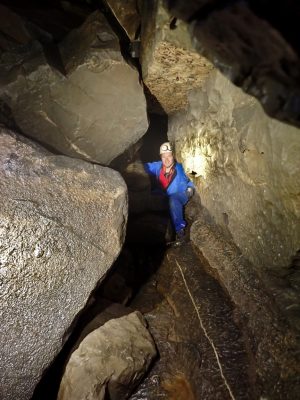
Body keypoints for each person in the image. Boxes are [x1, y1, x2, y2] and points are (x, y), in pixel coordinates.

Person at [144, 142, 195, 243]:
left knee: (173, 200)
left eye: (169, 156)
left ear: (174, 156)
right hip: (164, 194)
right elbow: (142, 167)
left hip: (180, 194)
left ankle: (179, 231)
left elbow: (195, 174)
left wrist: (191, 188)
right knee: (149, 195)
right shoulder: (157, 167)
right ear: (161, 157)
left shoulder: (182, 167)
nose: (166, 159)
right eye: (164, 156)